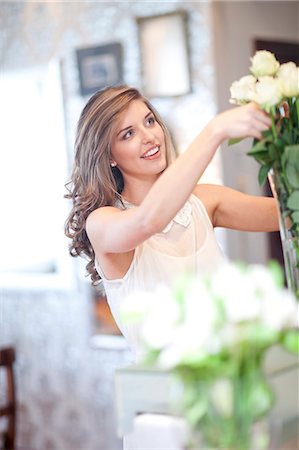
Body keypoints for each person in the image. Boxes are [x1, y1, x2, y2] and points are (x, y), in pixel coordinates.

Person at [65, 84, 278, 354]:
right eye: (128, 134)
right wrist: (215, 130)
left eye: (150, 121)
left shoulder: (205, 201)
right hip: (165, 393)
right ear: (109, 156)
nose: (150, 137)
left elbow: (287, 215)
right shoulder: (102, 222)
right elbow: (147, 221)